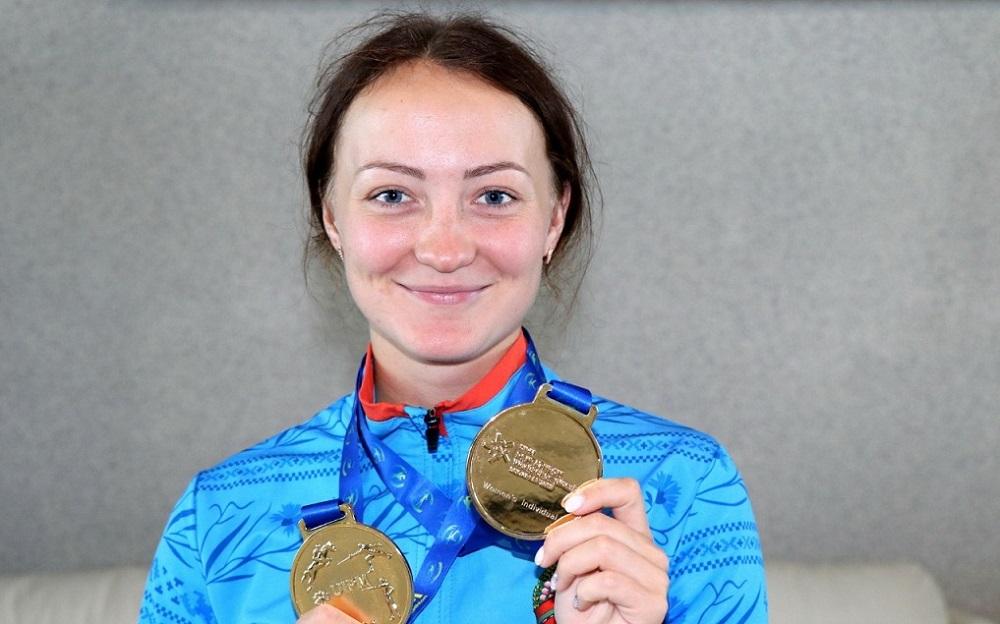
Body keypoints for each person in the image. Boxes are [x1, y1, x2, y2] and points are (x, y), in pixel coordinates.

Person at [139, 12, 766, 624]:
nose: (444, 250)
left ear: (553, 219)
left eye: (494, 196)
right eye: (392, 195)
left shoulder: (686, 485)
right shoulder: (217, 514)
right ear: (333, 219)